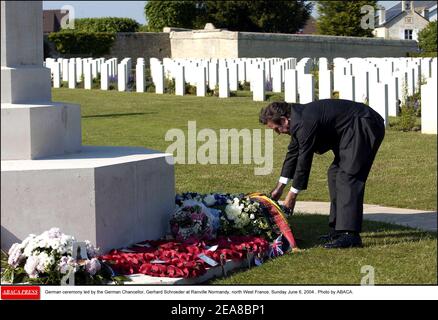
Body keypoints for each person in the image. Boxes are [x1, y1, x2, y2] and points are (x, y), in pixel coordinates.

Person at [259, 99, 385, 249]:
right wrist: (279, 188)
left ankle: (350, 234)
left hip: (363, 124)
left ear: (284, 120)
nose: (278, 133)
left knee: (348, 176)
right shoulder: (297, 119)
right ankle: (338, 229)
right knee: (334, 173)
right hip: (349, 129)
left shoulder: (304, 122)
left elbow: (304, 160)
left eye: (276, 129)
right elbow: (293, 153)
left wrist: (292, 196)